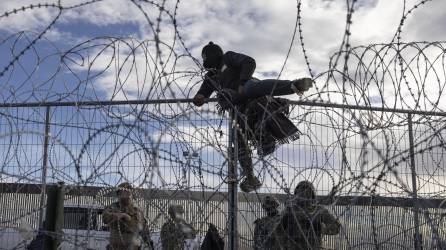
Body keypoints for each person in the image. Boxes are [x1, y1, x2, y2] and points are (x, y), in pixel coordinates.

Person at [192, 42, 313, 193]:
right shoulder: (211, 77)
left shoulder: (228, 58)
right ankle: (250, 177)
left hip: (246, 89)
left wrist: (242, 82)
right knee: (239, 139)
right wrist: (199, 97)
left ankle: (294, 86)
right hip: (237, 104)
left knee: (253, 87)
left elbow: (249, 62)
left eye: (207, 58)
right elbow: (203, 92)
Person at [277, 181, 340, 250]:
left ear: (312, 194)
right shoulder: (289, 210)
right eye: (301, 191)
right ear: (296, 193)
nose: (303, 193)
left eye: (307, 191)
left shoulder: (319, 210)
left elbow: (336, 228)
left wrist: (319, 228)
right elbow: (276, 230)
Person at [102, 182, 153, 250]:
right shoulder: (113, 207)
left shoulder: (137, 211)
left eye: (129, 191)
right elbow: (105, 218)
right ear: (119, 194)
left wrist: (127, 217)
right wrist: (117, 215)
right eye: (125, 191)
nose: (128, 193)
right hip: (115, 247)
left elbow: (142, 229)